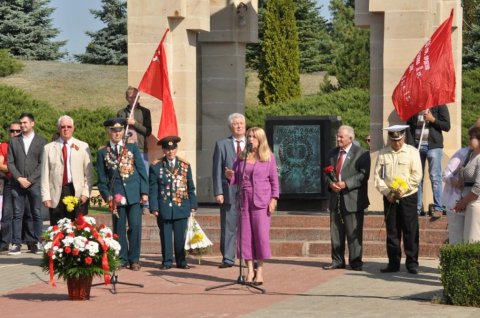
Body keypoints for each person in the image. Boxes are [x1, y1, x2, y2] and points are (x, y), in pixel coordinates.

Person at [225, 127, 279, 285]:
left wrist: (274, 199)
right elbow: (235, 179)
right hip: (244, 200)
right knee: (245, 236)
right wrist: (230, 176)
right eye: (248, 137)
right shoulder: (241, 157)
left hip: (262, 201)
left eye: (254, 137)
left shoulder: (268, 157)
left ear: (260, 139)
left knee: (261, 236)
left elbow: (274, 181)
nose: (250, 139)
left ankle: (259, 271)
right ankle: (249, 270)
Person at [97, 118, 148, 270]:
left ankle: (134, 260)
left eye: (119, 130)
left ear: (123, 132)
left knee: (135, 226)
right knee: (119, 229)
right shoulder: (102, 152)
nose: (117, 133)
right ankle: (122, 258)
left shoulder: (131, 148)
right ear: (109, 131)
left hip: (134, 194)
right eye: (114, 130)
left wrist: (144, 192)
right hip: (116, 196)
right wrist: (107, 196)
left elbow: (141, 171)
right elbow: (101, 179)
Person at [374, 125, 422, 274]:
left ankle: (412, 262)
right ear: (390, 139)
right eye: (394, 140)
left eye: (399, 140)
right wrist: (387, 192)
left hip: (407, 196)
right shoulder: (383, 153)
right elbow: (378, 177)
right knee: (392, 231)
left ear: (404, 138)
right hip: (390, 197)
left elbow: (417, 174)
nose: (397, 143)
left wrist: (405, 188)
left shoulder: (412, 152)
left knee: (410, 230)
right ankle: (393, 263)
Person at [323, 125, 370, 271]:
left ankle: (355, 262)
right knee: (336, 231)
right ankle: (337, 260)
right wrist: (331, 184)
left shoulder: (361, 153)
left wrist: (346, 184)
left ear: (350, 138)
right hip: (335, 198)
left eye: (341, 136)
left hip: (353, 199)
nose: (338, 139)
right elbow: (325, 172)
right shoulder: (332, 153)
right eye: (337, 136)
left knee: (353, 232)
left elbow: (363, 175)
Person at [149, 136, 198, 270]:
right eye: (167, 149)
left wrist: (193, 205)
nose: (170, 152)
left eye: (173, 148)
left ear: (176, 149)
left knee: (180, 237)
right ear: (164, 150)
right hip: (163, 206)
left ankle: (181, 261)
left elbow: (190, 187)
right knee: (165, 236)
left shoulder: (185, 165)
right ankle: (167, 261)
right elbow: (153, 188)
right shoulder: (156, 166)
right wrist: (153, 206)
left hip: (181, 206)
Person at [41, 115, 94, 225]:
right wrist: (46, 196)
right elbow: (45, 175)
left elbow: (89, 174)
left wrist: (86, 193)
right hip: (57, 194)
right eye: (63, 126)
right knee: (57, 230)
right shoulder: (48, 148)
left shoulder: (83, 146)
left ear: (73, 128)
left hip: (77, 193)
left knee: (78, 229)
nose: (66, 129)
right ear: (58, 128)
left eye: (69, 126)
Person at [7, 113, 47, 255]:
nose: (22, 125)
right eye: (21, 123)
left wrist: (30, 180)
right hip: (17, 184)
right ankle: (16, 243)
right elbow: (10, 163)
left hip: (34, 183)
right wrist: (19, 178)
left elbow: (42, 163)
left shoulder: (41, 141)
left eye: (25, 123)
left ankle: (36, 242)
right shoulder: (14, 141)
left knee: (35, 213)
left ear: (32, 124)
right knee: (17, 214)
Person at [212, 113, 246, 268]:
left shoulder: (253, 144)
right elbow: (217, 170)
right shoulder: (222, 144)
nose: (239, 126)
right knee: (228, 225)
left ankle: (247, 257)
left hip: (248, 193)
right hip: (228, 192)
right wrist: (218, 192)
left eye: (241, 123)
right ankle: (228, 258)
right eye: (236, 124)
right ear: (230, 126)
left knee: (247, 226)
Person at [407, 105, 450, 218]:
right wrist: (411, 146)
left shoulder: (440, 105)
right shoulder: (414, 105)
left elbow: (447, 126)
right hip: (417, 147)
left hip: (434, 147)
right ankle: (417, 208)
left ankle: (438, 208)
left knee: (435, 177)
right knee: (417, 178)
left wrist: (432, 119)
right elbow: (409, 127)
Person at [118, 87, 152, 214]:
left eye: (135, 97)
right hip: (125, 150)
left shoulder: (145, 112)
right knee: (127, 175)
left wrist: (134, 123)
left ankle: (146, 204)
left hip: (141, 149)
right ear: (126, 98)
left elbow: (147, 131)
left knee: (144, 175)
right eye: (130, 97)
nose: (133, 99)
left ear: (138, 98)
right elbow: (117, 131)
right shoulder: (121, 112)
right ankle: (129, 201)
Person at [453, 126, 480, 243]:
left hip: (476, 202)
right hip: (469, 202)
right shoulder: (471, 155)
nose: (469, 140)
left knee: (473, 240)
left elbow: (478, 187)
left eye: (471, 137)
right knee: (468, 239)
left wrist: (462, 203)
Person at [0, 122, 22, 253]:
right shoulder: (4, 146)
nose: (15, 133)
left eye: (17, 131)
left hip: (25, 182)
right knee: (7, 214)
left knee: (28, 213)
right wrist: (15, 170)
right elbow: (0, 164)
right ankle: (5, 242)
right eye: (12, 131)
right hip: (10, 182)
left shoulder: (25, 146)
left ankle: (30, 241)